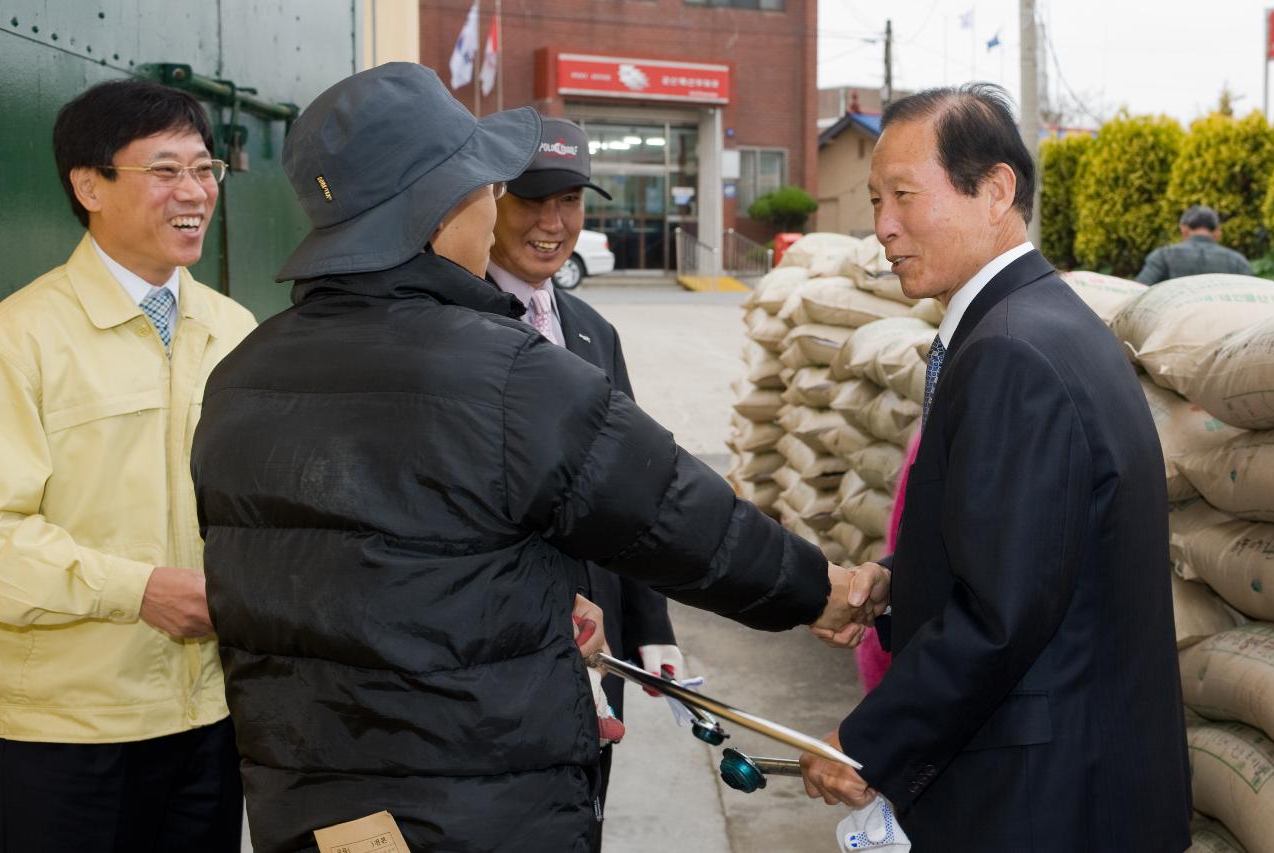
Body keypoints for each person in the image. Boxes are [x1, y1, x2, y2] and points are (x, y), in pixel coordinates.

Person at [190, 62, 857, 853]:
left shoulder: (241, 375)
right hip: (478, 801)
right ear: (439, 211)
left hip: (315, 808)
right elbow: (684, 518)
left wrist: (531, 597)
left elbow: (352, 573)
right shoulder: (508, 374)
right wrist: (822, 588)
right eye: (485, 187)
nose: (494, 203)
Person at [800, 84, 1192, 852]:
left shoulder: (1010, 350)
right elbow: (1024, 544)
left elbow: (1000, 615)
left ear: (996, 190)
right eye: (877, 199)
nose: (882, 225)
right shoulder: (1040, 320)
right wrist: (895, 576)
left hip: (1046, 799)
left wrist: (867, 740)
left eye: (905, 196)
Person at [0, 79, 256, 850]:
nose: (195, 192)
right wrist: (136, 588)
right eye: (165, 170)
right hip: (64, 734)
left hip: (211, 719)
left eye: (205, 169)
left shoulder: (233, 329)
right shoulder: (21, 339)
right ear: (89, 184)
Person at [488, 116, 682, 817]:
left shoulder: (594, 333)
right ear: (489, 199)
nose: (552, 221)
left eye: (569, 199)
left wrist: (651, 622)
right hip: (503, 651)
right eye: (531, 198)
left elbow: (630, 491)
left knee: (586, 811)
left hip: (600, 652)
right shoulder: (452, 322)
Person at [1135, 204, 1251, 283]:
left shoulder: (1163, 256)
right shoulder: (1237, 261)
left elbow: (1139, 291)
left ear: (1184, 229)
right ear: (1217, 232)